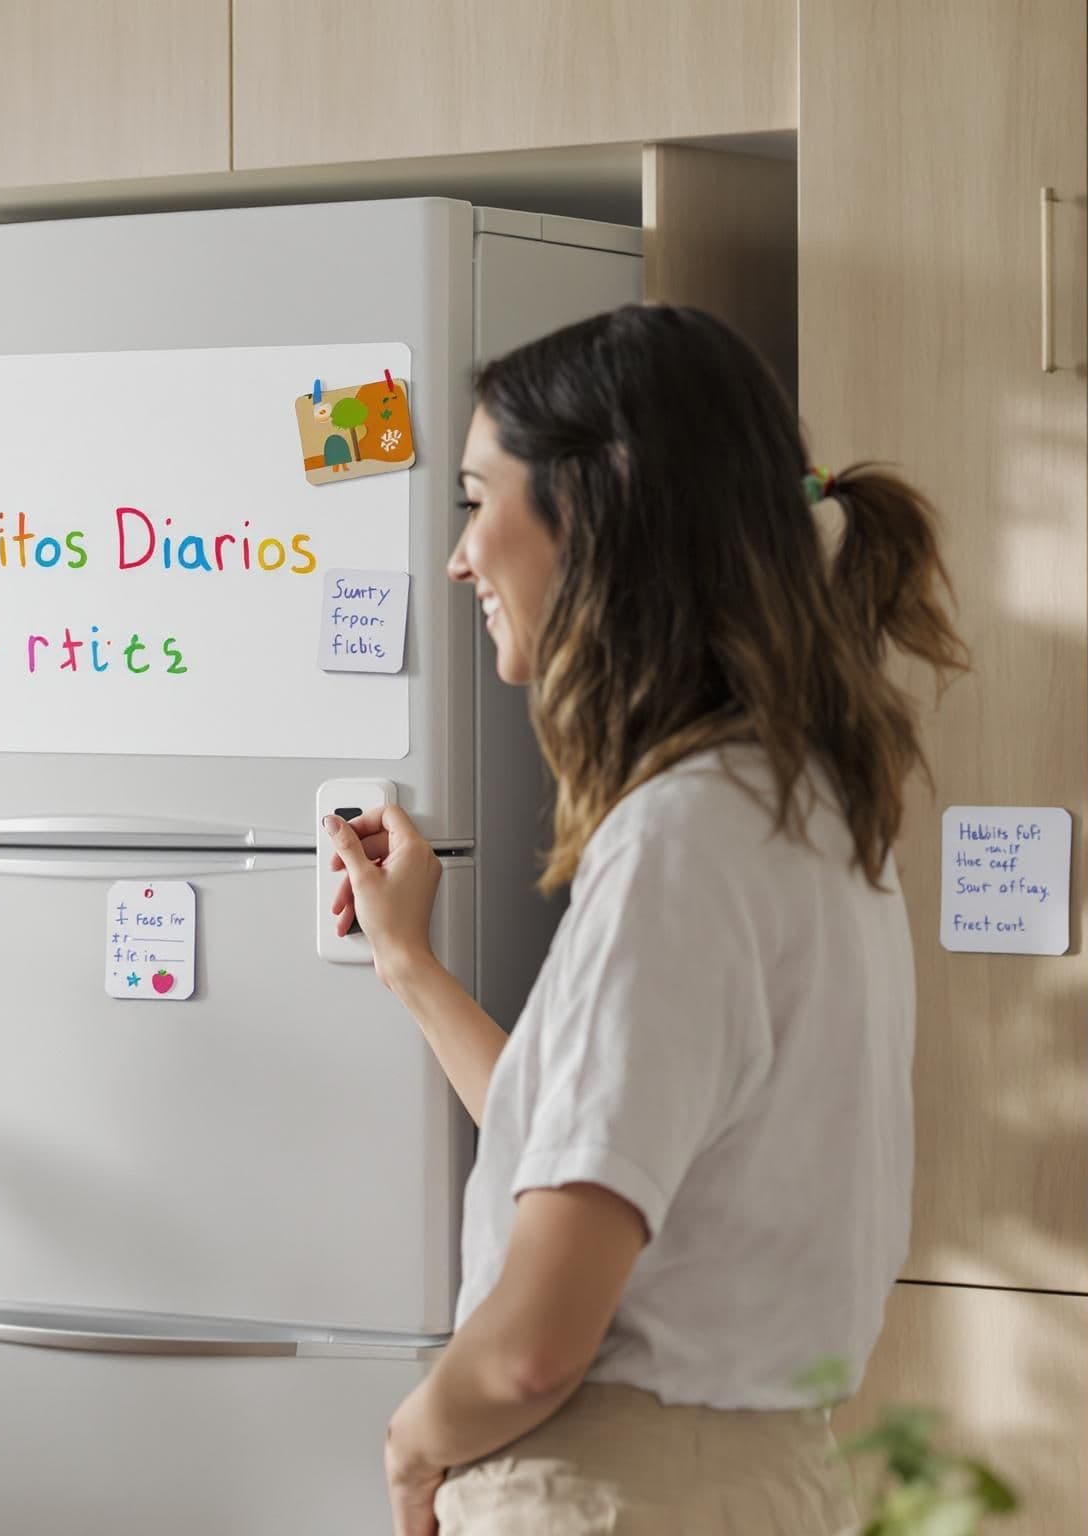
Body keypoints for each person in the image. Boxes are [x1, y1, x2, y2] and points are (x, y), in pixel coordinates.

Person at [327, 305, 965, 1535]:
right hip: (756, 1482)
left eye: (477, 498)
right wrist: (406, 963)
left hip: (608, 1494)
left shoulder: (676, 841)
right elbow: (599, 1148)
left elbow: (533, 1349)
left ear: (598, 502)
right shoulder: (801, 811)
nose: (459, 557)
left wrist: (415, 1443)